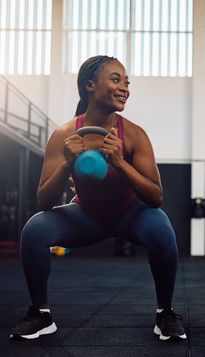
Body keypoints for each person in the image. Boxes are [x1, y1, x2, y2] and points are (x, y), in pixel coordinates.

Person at [10, 55, 186, 341]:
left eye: (127, 82)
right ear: (90, 85)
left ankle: (164, 312)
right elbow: (44, 201)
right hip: (87, 215)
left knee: (162, 227)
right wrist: (67, 163)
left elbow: (155, 197)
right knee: (34, 228)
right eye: (116, 80)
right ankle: (40, 315)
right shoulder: (64, 135)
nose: (125, 88)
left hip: (131, 214)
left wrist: (121, 163)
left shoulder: (134, 134)